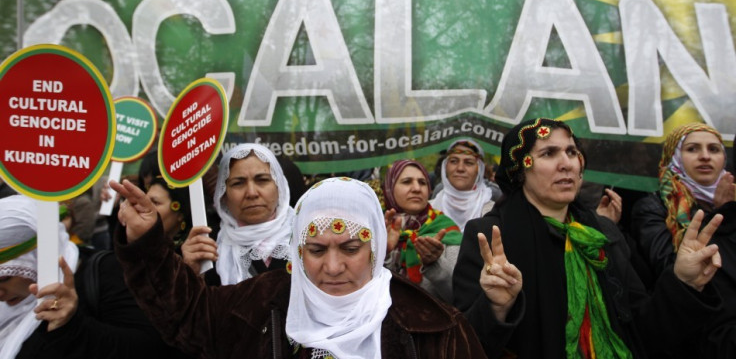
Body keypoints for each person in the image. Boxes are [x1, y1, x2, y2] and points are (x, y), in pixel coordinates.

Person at [112, 176, 487, 358]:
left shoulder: (432, 326)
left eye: (351, 248)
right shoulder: (259, 304)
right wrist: (147, 243)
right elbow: (187, 315)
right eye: (317, 249)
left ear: (375, 248)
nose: (334, 267)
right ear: (297, 248)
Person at [453, 117, 724, 359]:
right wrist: (496, 308)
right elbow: (462, 346)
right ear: (521, 169)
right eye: (549, 153)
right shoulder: (490, 236)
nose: (566, 163)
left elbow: (641, 330)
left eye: (572, 152)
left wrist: (683, 283)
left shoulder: (602, 234)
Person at [0, 195, 181, 359]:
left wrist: (71, 326)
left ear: (37, 259)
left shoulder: (104, 273)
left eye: (4, 279)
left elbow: (150, 349)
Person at [631, 123, 736, 356]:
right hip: (695, 336)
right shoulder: (654, 207)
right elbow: (671, 265)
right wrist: (723, 213)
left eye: (714, 149)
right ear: (674, 157)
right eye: (692, 149)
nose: (705, 156)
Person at [181, 143, 293, 284]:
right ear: (224, 194)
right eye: (238, 183)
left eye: (262, 180)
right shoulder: (208, 248)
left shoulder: (309, 235)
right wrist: (191, 273)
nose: (251, 193)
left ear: (279, 187)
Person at [382, 159, 463, 302]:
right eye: (407, 182)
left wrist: (435, 264)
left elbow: (460, 297)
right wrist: (382, 252)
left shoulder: (445, 229)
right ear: (389, 188)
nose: (417, 188)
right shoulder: (376, 228)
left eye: (422, 182)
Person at [430, 138, 499, 231]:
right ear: (445, 166)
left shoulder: (494, 208)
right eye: (454, 161)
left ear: (479, 169)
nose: (460, 168)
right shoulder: (429, 209)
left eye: (468, 163)